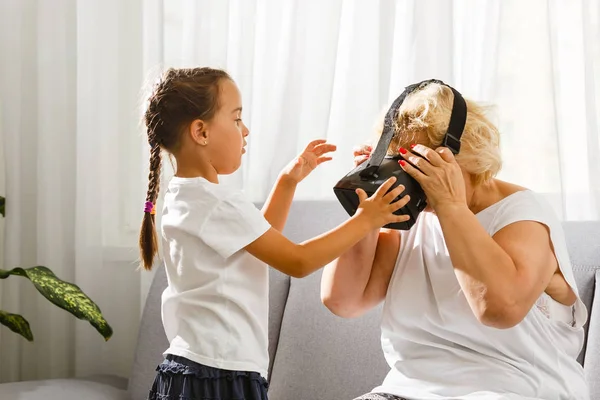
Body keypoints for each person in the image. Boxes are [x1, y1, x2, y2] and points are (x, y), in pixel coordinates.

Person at [138, 67, 410, 400]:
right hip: (220, 375)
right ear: (201, 132)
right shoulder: (217, 203)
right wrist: (365, 221)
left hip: (187, 370)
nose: (246, 129)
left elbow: (261, 241)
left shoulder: (186, 197)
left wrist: (287, 181)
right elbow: (297, 261)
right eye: (237, 119)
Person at [321, 80, 590, 400]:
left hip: (513, 389)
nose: (415, 180)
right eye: (402, 166)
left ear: (464, 154)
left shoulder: (524, 216)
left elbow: (499, 310)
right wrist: (368, 212)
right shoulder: (410, 218)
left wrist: (450, 206)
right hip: (406, 390)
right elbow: (344, 301)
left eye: (421, 164)